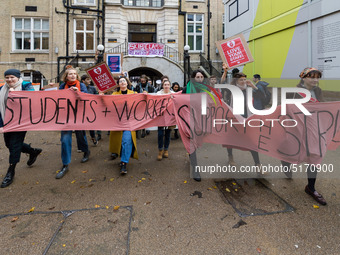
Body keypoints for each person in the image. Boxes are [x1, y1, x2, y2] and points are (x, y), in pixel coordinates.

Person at [281, 67, 326, 205]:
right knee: (292, 151)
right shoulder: (294, 92)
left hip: (313, 128)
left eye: (317, 77)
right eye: (312, 77)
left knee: (316, 154)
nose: (315, 80)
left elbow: (323, 108)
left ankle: (310, 188)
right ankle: (286, 162)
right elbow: (284, 108)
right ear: (303, 77)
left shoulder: (318, 91)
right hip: (296, 128)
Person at [0, 69, 42, 188]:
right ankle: (32, 151)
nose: (9, 80)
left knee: (14, 146)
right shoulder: (2, 89)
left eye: (12, 77)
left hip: (21, 122)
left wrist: (15, 94)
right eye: (7, 77)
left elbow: (31, 99)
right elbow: (0, 107)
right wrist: (0, 125)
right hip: (7, 122)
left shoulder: (26, 85)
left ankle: (10, 171)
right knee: (9, 144)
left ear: (18, 77)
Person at [56, 67, 90, 179]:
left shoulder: (82, 85)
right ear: (66, 76)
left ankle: (86, 151)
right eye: (70, 74)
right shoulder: (62, 86)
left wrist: (78, 93)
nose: (73, 75)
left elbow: (87, 98)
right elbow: (57, 98)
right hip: (66, 116)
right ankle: (65, 164)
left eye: (74, 74)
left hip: (79, 115)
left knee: (80, 135)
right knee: (65, 139)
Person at [225, 72, 262, 171]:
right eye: (241, 79)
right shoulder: (232, 90)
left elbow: (261, 96)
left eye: (245, 79)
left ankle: (258, 165)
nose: (243, 81)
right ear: (236, 81)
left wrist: (253, 86)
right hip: (235, 118)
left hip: (247, 118)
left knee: (252, 141)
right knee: (230, 140)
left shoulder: (248, 90)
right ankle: (230, 157)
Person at [182, 69, 209, 181]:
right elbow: (181, 102)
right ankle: (195, 169)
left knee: (197, 142)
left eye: (201, 77)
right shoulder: (186, 89)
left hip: (202, 120)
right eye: (197, 77)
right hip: (190, 119)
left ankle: (191, 157)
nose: (200, 79)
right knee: (192, 142)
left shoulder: (207, 90)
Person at [109, 76, 138, 174]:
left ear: (127, 83)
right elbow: (107, 104)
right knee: (119, 142)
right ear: (118, 84)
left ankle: (123, 163)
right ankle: (121, 155)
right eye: (120, 81)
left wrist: (146, 95)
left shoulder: (134, 94)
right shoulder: (114, 94)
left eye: (124, 81)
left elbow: (143, 102)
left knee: (126, 141)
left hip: (130, 122)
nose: (122, 82)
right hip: (117, 122)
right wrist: (100, 95)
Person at [156, 80, 175, 160]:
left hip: (170, 117)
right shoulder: (158, 94)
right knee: (160, 133)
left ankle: (166, 150)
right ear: (163, 86)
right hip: (161, 116)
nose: (166, 86)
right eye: (165, 84)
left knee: (168, 133)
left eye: (168, 84)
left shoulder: (173, 94)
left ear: (170, 85)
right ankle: (160, 150)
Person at [81, 74, 101, 144]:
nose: (89, 80)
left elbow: (96, 97)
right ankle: (82, 143)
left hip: (90, 109)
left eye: (89, 79)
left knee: (91, 125)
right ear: (83, 81)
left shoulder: (92, 88)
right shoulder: (79, 88)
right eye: (87, 79)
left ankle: (93, 137)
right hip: (82, 109)